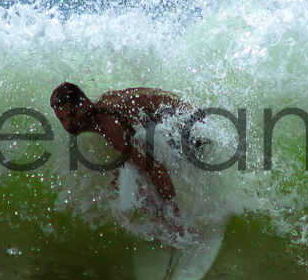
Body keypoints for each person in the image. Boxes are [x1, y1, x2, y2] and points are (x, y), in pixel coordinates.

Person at [50, 82, 200, 209]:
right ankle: (161, 217)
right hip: (186, 114)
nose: (68, 125)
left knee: (126, 180)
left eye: (71, 116)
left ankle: (170, 221)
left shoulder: (111, 129)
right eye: (62, 119)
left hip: (192, 132)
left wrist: (173, 212)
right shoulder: (104, 102)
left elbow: (156, 168)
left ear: (83, 104)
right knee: (121, 176)